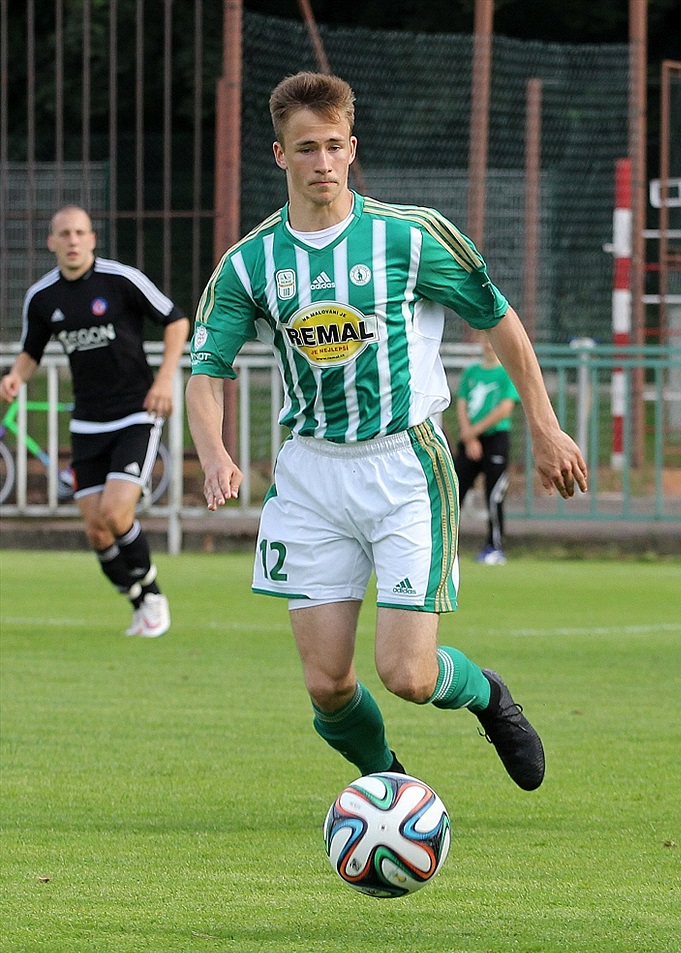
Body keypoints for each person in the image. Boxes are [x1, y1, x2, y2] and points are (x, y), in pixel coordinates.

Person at [186, 72, 587, 791]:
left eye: (333, 146)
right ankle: (389, 789)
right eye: (306, 148)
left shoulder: (409, 235)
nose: (322, 162)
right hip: (310, 475)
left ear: (352, 147)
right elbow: (206, 371)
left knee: (407, 674)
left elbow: (498, 319)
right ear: (280, 155)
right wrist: (214, 453)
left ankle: (488, 695)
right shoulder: (250, 263)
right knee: (327, 684)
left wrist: (546, 426)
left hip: (405, 466)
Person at [0, 206, 190, 637]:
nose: (72, 240)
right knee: (96, 531)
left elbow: (176, 320)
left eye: (79, 232)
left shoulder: (120, 280)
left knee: (115, 512)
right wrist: (15, 377)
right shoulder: (43, 297)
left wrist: (165, 380)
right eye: (64, 233)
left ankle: (153, 593)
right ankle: (138, 601)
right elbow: (32, 352)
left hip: (136, 413)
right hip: (87, 422)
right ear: (51, 242)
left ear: (92, 239)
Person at [453, 332, 519, 565]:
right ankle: (447, 547)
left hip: (495, 439)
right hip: (470, 441)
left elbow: (504, 409)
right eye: (486, 340)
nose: (490, 346)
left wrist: (474, 431)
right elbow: (462, 403)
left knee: (494, 495)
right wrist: (469, 436)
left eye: (494, 341)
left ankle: (495, 546)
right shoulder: (471, 372)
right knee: (452, 492)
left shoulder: (506, 373)